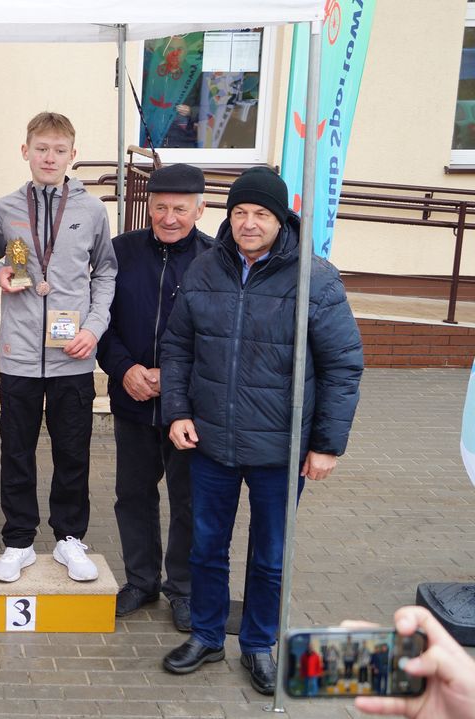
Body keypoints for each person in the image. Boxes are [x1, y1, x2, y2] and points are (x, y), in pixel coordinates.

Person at [159, 166, 365, 696]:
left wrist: (326, 445)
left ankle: (258, 644)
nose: (249, 223)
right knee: (206, 547)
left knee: (270, 556)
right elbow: (178, 348)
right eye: (240, 212)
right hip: (212, 441)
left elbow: (343, 365)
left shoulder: (315, 278)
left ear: (281, 220)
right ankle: (207, 635)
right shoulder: (205, 268)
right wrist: (178, 411)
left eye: (261, 214)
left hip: (282, 447)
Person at [0, 111, 116, 583]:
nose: (49, 157)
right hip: (18, 354)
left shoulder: (92, 211)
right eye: (41, 149)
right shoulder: (5, 207)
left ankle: (69, 538)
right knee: (16, 451)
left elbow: (106, 272)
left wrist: (94, 328)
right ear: (25, 151)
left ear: (73, 155)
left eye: (59, 150)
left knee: (72, 453)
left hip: (72, 354)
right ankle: (18, 541)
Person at [96, 164, 210, 626]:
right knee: (133, 494)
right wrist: (124, 368)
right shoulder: (120, 252)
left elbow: (221, 338)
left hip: (190, 409)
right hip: (132, 398)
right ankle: (140, 581)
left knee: (189, 500)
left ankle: (182, 589)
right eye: (160, 207)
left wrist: (176, 376)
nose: (169, 218)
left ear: (200, 209)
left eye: (180, 209)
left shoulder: (215, 260)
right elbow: (98, 319)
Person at [355, 606, 475, 718]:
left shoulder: (386, 653)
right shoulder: (375, 653)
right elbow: (373, 660)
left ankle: (382, 692)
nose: (383, 648)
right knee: (377, 682)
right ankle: (378, 692)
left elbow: (389, 659)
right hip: (378, 669)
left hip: (386, 669)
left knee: (385, 682)